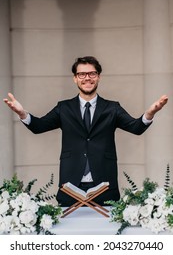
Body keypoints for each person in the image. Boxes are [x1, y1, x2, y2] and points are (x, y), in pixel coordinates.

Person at [3, 56, 168, 207]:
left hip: (104, 185)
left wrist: (150, 113)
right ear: (75, 78)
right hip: (71, 186)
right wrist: (22, 114)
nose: (87, 78)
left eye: (92, 73)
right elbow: (39, 126)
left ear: (98, 77)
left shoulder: (112, 108)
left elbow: (136, 127)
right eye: (81, 74)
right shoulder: (64, 108)